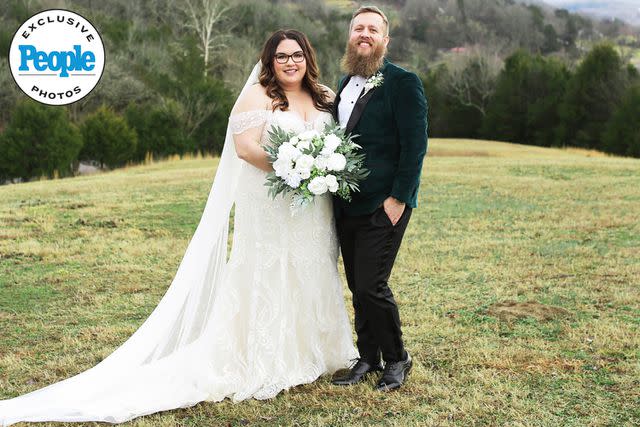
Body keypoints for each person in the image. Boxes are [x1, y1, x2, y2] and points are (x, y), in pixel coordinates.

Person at [0, 29, 357, 426]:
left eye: (297, 55)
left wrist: (321, 168)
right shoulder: (258, 95)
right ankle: (266, 355)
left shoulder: (325, 96)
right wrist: (289, 168)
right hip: (272, 203)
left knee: (311, 269)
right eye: (281, 57)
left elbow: (336, 143)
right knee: (269, 271)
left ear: (308, 57)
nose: (290, 62)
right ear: (269, 61)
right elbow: (245, 147)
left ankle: (312, 351)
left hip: (313, 208)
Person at [331, 6, 428, 391]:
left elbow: (415, 146)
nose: (365, 34)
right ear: (350, 36)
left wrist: (399, 199)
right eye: (359, 28)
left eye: (373, 29)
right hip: (346, 203)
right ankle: (368, 357)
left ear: (385, 40)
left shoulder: (404, 82)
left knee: (373, 284)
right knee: (358, 285)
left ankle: (397, 358)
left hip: (384, 204)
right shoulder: (343, 82)